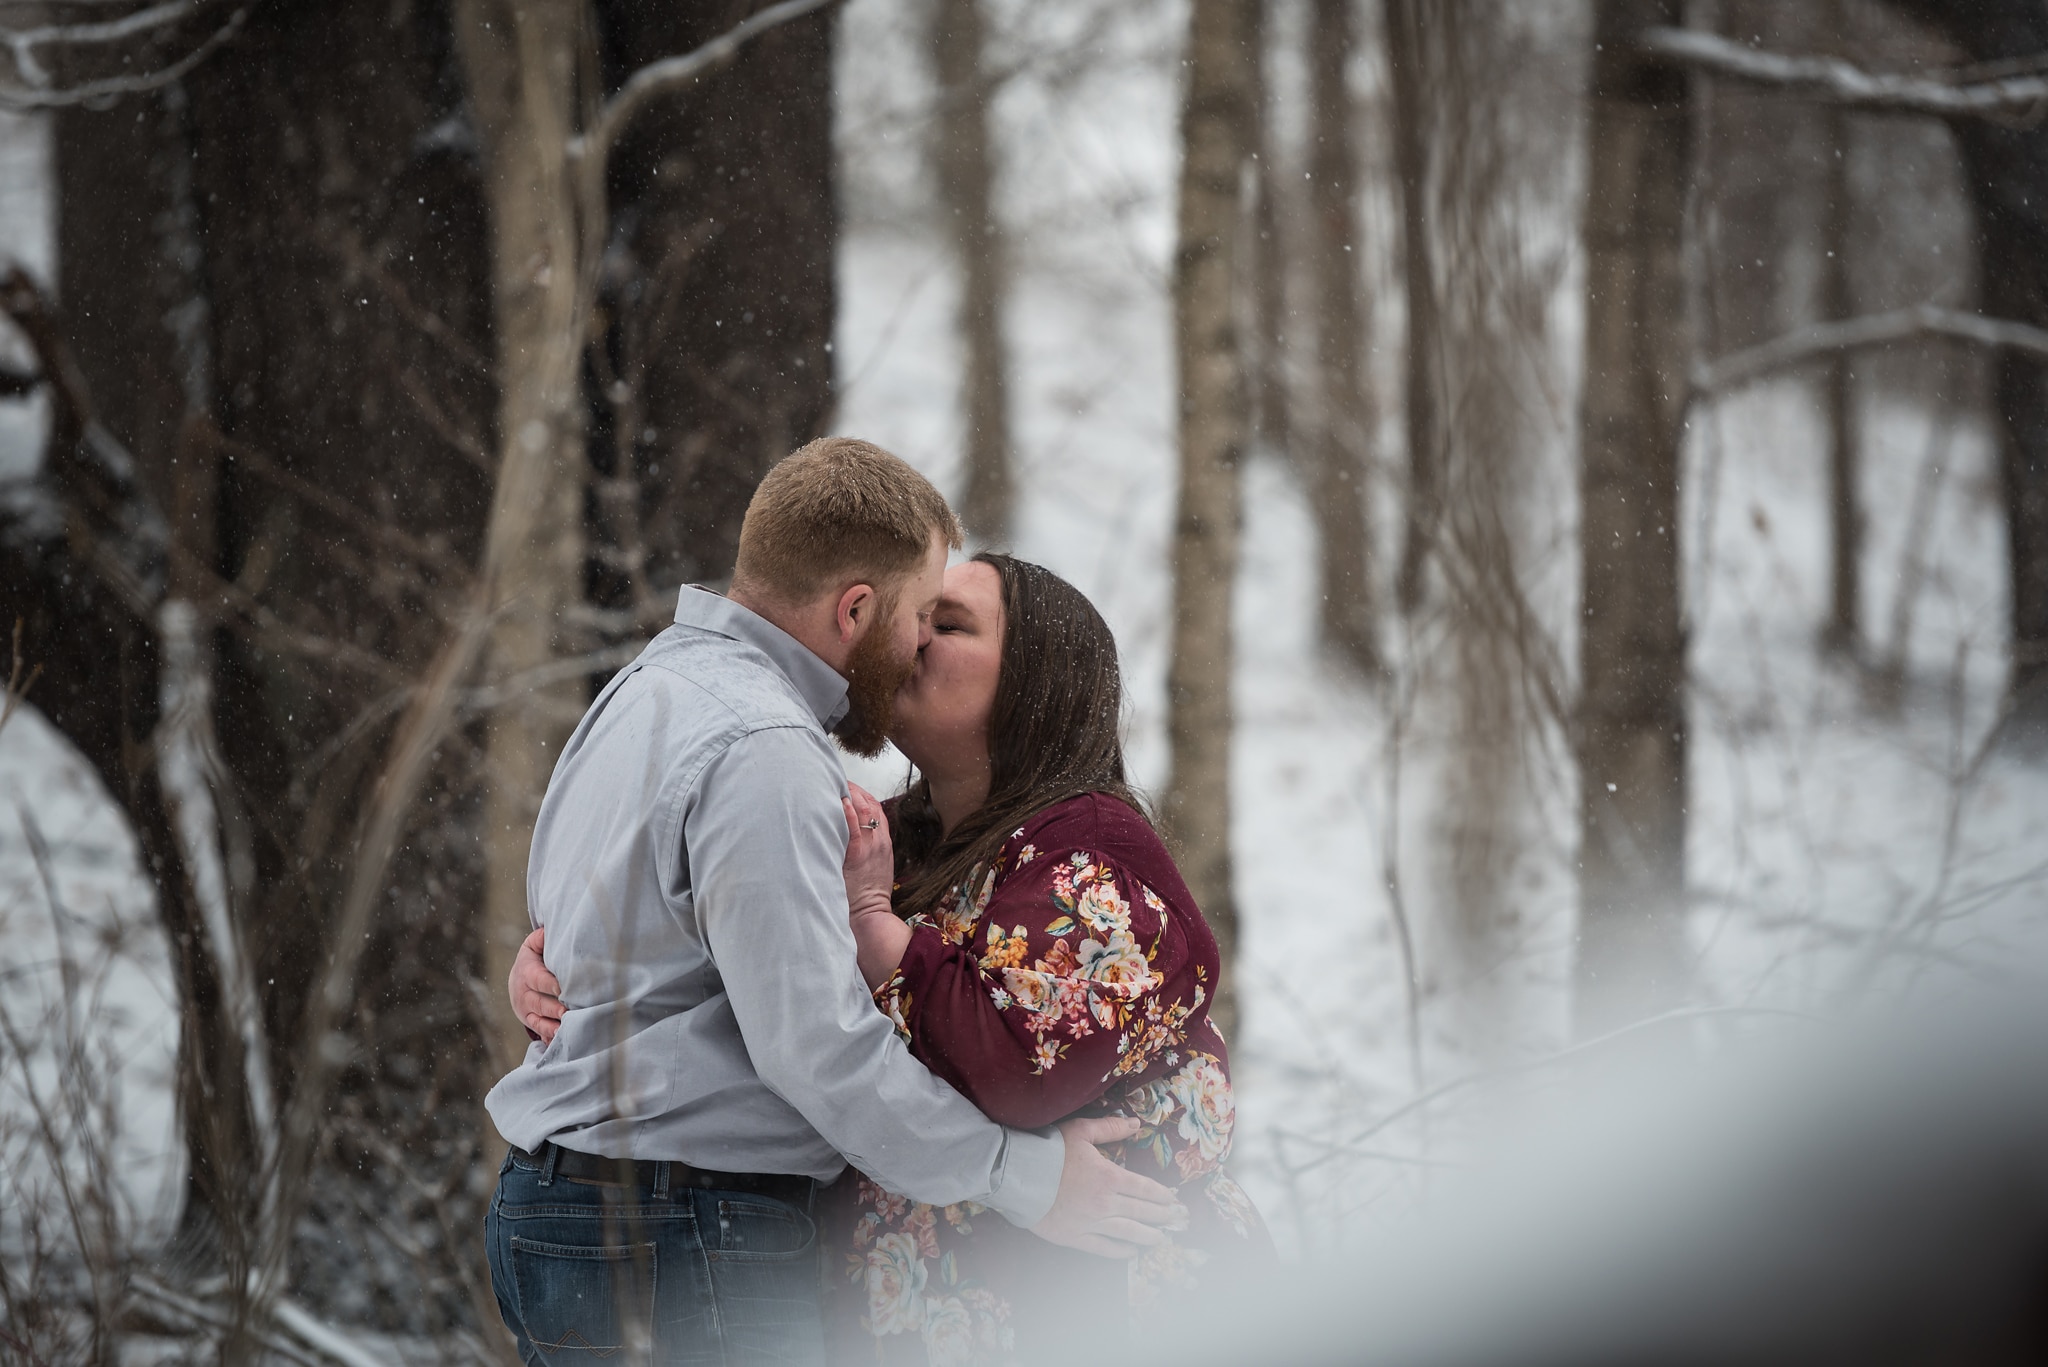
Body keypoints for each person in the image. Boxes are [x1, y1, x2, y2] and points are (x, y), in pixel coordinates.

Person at [483, 440, 1186, 1367]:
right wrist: (1032, 1179)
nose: (916, 648)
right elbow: (814, 1045)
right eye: (915, 617)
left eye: (950, 624)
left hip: (585, 1212)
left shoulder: (645, 688)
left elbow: (595, 919)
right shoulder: (765, 750)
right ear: (855, 608)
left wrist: (553, 973)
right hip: (681, 1228)